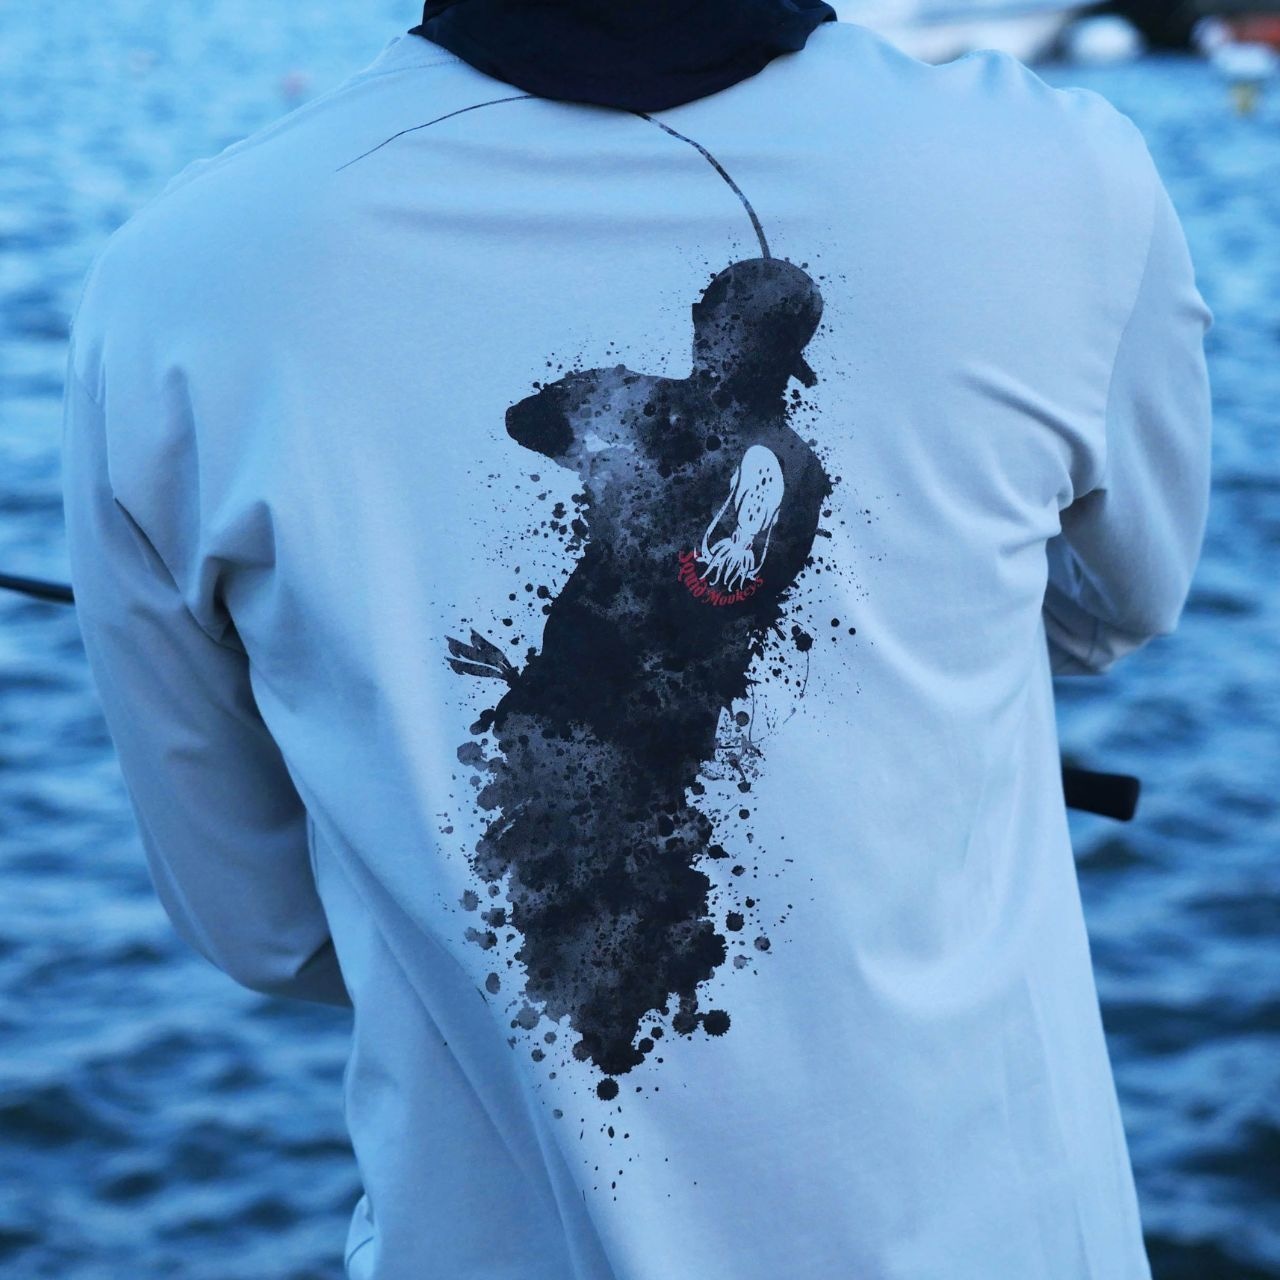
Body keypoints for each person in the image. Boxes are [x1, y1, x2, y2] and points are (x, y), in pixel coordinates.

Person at [59, 2, 1213, 1277]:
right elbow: (1114, 608)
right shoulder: (1060, 180)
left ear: (713, 332)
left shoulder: (175, 282)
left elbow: (264, 927)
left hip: (564, 742)